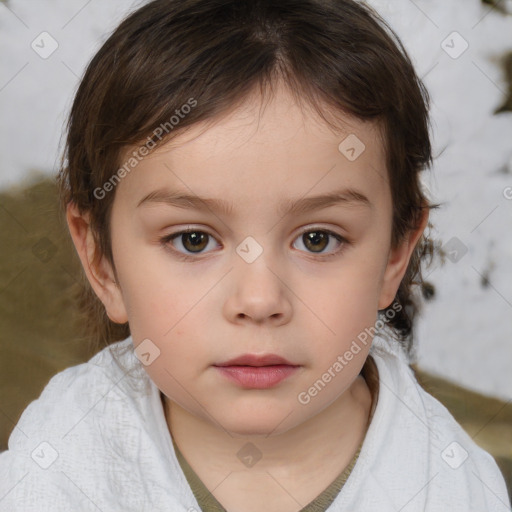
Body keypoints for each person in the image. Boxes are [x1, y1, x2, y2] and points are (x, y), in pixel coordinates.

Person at [0, 0, 509, 510]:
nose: (260, 299)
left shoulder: (451, 489)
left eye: (318, 239)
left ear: (395, 253)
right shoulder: (56, 468)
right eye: (193, 240)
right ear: (100, 261)